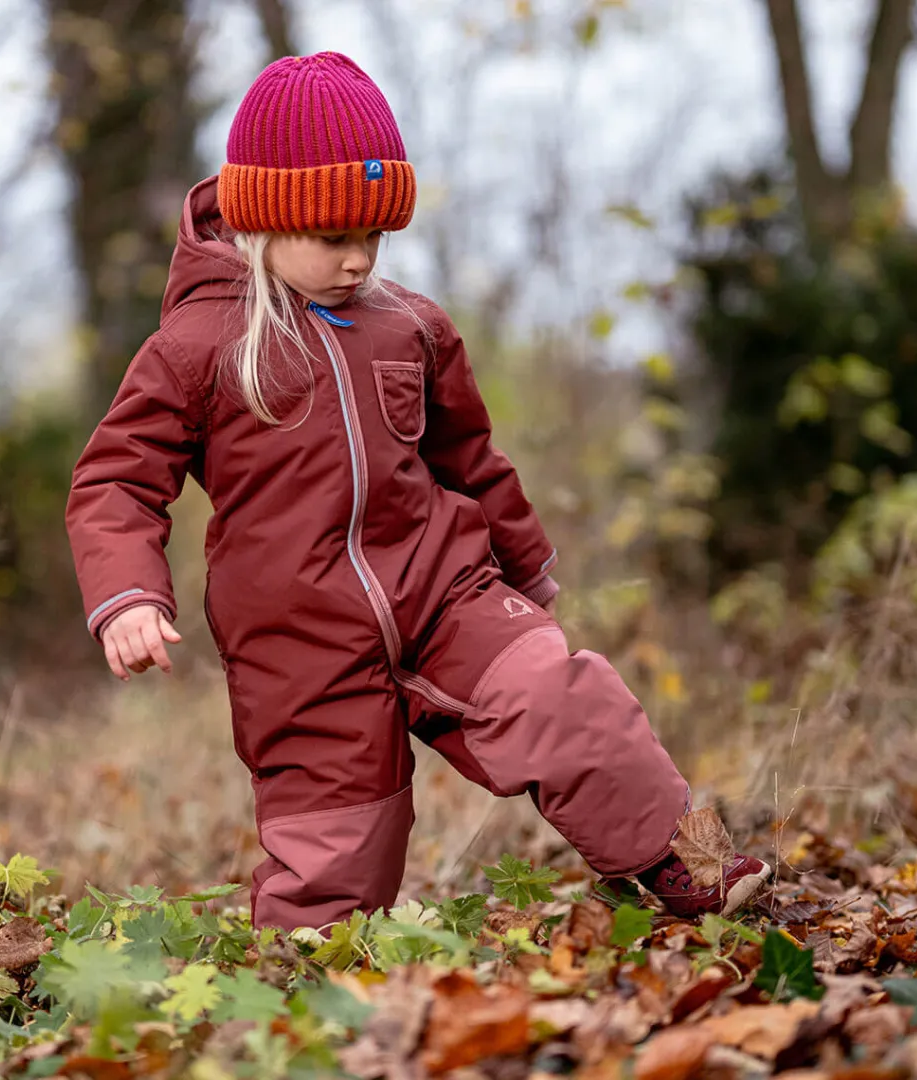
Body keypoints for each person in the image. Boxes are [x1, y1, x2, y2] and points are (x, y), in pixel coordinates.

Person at [66, 51, 770, 931]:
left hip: (445, 591)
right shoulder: (198, 346)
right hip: (301, 642)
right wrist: (128, 595)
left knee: (564, 699)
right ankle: (304, 972)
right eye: (334, 238)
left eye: (375, 236)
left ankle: (691, 867)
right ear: (266, 222)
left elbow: (471, 459)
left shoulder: (410, 326)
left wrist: (527, 572)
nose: (359, 260)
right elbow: (117, 479)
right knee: (336, 842)